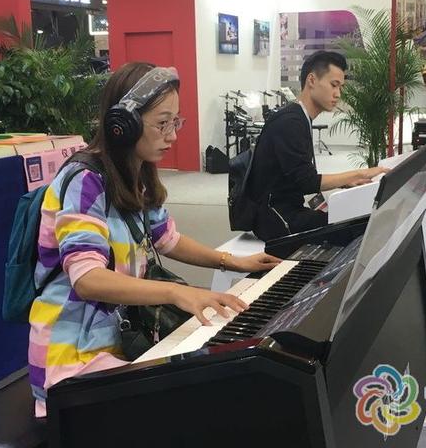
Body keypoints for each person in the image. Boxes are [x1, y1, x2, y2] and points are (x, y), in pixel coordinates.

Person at [28, 62, 281, 416]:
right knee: (198, 404)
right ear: (123, 124)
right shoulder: (84, 180)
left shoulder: (137, 174)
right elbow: (87, 279)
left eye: (176, 122)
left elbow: (167, 238)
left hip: (119, 340)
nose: (173, 136)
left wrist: (232, 261)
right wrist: (176, 292)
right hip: (72, 357)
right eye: (162, 123)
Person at [248, 51, 387, 242]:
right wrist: (359, 174)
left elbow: (298, 175)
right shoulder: (290, 122)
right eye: (333, 85)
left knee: (361, 220)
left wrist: (346, 182)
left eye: (340, 87)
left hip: (286, 210)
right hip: (276, 219)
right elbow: (306, 182)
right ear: (312, 80)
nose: (338, 94)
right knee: (361, 228)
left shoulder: (298, 117)